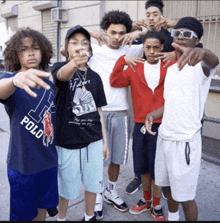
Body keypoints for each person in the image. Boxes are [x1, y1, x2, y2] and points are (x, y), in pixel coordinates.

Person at [144, 17, 219, 221]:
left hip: (185, 142)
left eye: (188, 35)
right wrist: (151, 115)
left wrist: (204, 53)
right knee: (170, 191)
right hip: (165, 138)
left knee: (186, 198)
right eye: (177, 33)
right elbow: (170, 104)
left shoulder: (202, 66)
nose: (181, 38)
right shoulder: (171, 70)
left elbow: (214, 61)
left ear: (198, 40)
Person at [110, 30, 177, 221]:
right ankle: (145, 199)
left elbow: (192, 60)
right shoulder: (134, 67)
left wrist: (176, 54)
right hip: (140, 124)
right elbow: (114, 81)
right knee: (143, 168)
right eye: (148, 47)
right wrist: (123, 60)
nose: (152, 51)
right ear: (144, 48)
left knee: (158, 169)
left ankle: (156, 204)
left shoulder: (170, 66)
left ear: (163, 47)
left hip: (162, 125)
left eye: (156, 47)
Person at [87, 10, 145, 219]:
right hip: (97, 113)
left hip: (121, 112)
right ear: (105, 31)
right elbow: (68, 44)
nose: (117, 37)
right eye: (113, 32)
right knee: (98, 157)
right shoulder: (93, 49)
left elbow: (159, 43)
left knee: (117, 157)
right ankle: (98, 194)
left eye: (122, 33)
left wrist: (137, 33)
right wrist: (91, 33)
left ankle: (111, 190)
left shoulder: (134, 49)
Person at [51, 25, 109, 221]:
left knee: (93, 185)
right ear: (66, 48)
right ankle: (61, 219)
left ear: (90, 50)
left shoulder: (96, 77)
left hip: (93, 141)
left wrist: (105, 142)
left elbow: (99, 111)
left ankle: (89, 216)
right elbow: (61, 76)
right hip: (67, 142)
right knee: (66, 188)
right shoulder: (59, 68)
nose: (79, 46)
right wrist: (73, 62)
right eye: (74, 42)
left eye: (84, 43)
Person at [0, 28, 58, 221]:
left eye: (35, 48)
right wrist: (16, 80)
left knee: (42, 212)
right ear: (15, 54)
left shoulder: (49, 82)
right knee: (23, 217)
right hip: (22, 166)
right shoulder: (10, 80)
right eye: (23, 49)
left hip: (48, 163)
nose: (31, 53)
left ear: (43, 51)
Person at [125, 0, 176, 196]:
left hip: (165, 105)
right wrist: (134, 33)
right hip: (141, 99)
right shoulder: (139, 39)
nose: (151, 17)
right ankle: (140, 177)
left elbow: (193, 49)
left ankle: (163, 182)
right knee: (142, 152)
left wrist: (174, 27)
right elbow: (123, 54)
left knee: (161, 152)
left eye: (155, 14)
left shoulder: (172, 37)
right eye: (148, 14)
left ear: (161, 16)